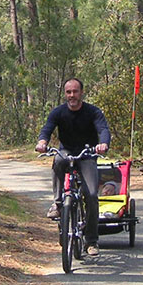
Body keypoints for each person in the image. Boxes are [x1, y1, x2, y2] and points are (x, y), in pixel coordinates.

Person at [35, 78, 110, 257]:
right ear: (65, 94)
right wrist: (42, 141)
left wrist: (103, 144)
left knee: (91, 195)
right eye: (68, 92)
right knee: (58, 160)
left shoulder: (93, 112)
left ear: (81, 93)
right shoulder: (58, 112)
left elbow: (103, 130)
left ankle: (91, 241)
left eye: (75, 91)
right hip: (66, 152)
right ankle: (58, 204)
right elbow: (47, 128)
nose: (72, 95)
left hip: (87, 154)